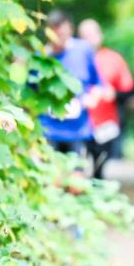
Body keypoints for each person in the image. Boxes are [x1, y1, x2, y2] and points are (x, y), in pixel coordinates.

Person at [39, 10, 103, 158]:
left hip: (78, 129)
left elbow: (98, 83)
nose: (59, 39)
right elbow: (30, 93)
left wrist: (92, 98)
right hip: (49, 129)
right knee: (53, 178)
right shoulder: (40, 57)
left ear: (71, 31)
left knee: (76, 177)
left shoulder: (83, 50)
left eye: (63, 34)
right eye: (55, 34)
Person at [79, 19, 134, 179]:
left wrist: (113, 94)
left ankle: (97, 197)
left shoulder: (114, 59)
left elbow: (128, 91)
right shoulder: (72, 58)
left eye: (92, 34)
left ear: (100, 35)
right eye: (85, 35)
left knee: (99, 169)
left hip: (106, 124)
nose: (89, 39)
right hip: (78, 124)